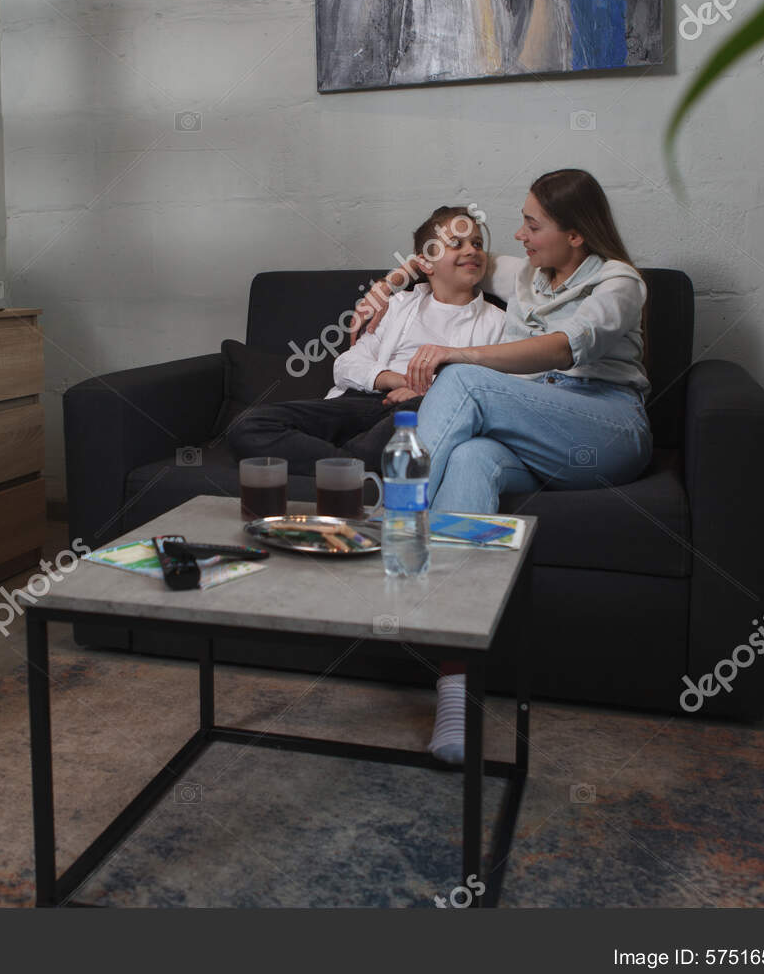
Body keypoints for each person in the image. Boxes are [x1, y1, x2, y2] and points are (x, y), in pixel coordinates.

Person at [355, 170, 652, 763]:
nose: (517, 235)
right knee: (469, 459)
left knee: (464, 378)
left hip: (606, 427)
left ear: (575, 235)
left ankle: (385, 524)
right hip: (528, 427)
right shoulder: (526, 272)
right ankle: (457, 689)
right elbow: (433, 260)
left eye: (533, 224)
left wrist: (463, 356)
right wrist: (386, 285)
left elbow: (566, 348)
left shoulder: (620, 283)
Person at [227, 207, 506, 473]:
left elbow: (488, 389)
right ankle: (356, 468)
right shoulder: (396, 305)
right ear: (424, 264)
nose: (472, 250)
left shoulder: (497, 321)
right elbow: (347, 364)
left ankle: (344, 467)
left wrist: (426, 391)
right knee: (249, 425)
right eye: (456, 243)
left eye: (478, 243)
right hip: (363, 400)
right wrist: (397, 380)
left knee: (422, 411)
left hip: (421, 409)